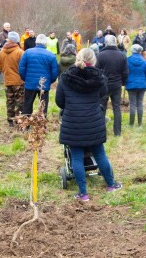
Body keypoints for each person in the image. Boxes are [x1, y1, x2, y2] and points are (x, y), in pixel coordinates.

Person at [56, 48, 122, 201]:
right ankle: (111, 185)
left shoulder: (65, 78)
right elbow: (102, 95)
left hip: (73, 122)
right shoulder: (99, 78)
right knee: (100, 154)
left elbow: (59, 101)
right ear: (94, 61)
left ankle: (83, 194)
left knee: (76, 158)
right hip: (93, 121)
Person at [19, 34, 59, 117]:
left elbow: (21, 68)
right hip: (44, 84)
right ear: (46, 43)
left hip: (30, 83)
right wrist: (49, 81)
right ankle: (41, 124)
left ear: (36, 42)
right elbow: (55, 73)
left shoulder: (27, 53)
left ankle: (25, 125)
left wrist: (26, 79)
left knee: (27, 105)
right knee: (43, 106)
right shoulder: (51, 55)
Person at [96, 35, 128, 136]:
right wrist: (123, 82)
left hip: (104, 85)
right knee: (116, 108)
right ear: (115, 42)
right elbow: (126, 72)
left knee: (102, 107)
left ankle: (101, 131)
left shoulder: (100, 55)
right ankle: (117, 132)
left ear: (105, 43)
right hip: (116, 85)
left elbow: (96, 71)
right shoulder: (122, 55)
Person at [0, 31, 25, 127]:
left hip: (8, 80)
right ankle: (19, 120)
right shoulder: (20, 52)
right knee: (20, 102)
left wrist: (7, 73)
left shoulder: (1, 51)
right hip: (19, 81)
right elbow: (24, 67)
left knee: (10, 101)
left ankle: (10, 120)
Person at [125, 44, 146, 126]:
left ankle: (131, 123)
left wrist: (125, 82)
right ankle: (140, 123)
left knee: (132, 104)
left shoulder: (128, 60)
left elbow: (125, 73)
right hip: (142, 85)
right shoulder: (144, 61)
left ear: (132, 51)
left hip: (131, 85)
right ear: (140, 51)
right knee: (140, 104)